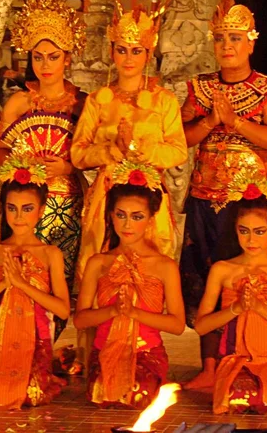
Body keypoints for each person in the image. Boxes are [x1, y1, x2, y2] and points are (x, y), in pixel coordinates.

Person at [180, 0, 267, 389]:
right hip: (206, 195)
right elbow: (181, 138)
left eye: (236, 38)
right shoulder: (200, 89)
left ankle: (259, 357)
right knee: (205, 278)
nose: (228, 46)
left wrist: (238, 125)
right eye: (221, 38)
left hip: (250, 202)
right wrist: (212, 120)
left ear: (251, 43)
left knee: (253, 281)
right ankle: (210, 365)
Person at [71, 0, 188, 285]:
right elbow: (78, 154)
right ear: (112, 51)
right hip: (107, 195)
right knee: (103, 273)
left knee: (149, 273)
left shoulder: (164, 100)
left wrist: (138, 148)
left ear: (148, 54)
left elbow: (178, 151)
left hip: (148, 193)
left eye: (136, 51)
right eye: (122, 49)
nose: (128, 58)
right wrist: (112, 149)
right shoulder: (98, 100)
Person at [0, 0, 86, 339]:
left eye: (53, 57)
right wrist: (21, 165)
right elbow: (0, 151)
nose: (45, 66)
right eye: (38, 57)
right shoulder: (18, 103)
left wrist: (68, 168)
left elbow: (91, 153)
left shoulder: (82, 104)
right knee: (23, 271)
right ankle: (20, 340)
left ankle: (50, 343)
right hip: (25, 202)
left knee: (59, 278)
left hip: (68, 201)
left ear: (67, 58)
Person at [194, 173, 267, 414]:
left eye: (259, 231)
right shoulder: (223, 269)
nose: (251, 239)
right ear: (235, 230)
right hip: (233, 360)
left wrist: (261, 308)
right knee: (239, 398)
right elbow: (202, 326)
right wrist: (235, 308)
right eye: (244, 231)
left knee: (266, 400)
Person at [74, 162, 185, 409]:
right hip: (104, 352)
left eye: (137, 217)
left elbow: (177, 324)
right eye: (121, 215)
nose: (127, 225)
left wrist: (135, 314)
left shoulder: (164, 266)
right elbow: (80, 320)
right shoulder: (99, 262)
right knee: (104, 391)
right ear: (111, 215)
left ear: (150, 218)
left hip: (147, 354)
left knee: (136, 393)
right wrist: (112, 311)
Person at [0, 148, 70, 409]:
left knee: (30, 394)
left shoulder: (50, 254)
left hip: (36, 343)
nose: (19, 216)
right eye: (12, 208)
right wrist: (2, 284)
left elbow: (63, 309)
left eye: (27, 208)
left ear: (42, 209)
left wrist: (23, 284)